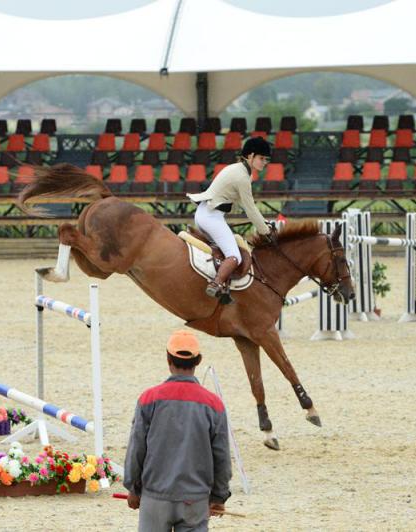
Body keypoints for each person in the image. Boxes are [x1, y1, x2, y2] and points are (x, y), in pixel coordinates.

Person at [124, 330, 232, 532]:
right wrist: (219, 496)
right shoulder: (213, 404)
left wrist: (133, 487)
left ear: (168, 359)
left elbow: (137, 447)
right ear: (198, 360)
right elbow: (222, 455)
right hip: (194, 500)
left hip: (155, 496)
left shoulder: (149, 399)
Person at [187, 136, 276, 302]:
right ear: (250, 156)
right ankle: (216, 284)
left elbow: (247, 205)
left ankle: (224, 288)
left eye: (266, 159)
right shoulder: (242, 177)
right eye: (262, 158)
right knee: (235, 256)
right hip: (211, 217)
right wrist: (265, 231)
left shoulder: (237, 169)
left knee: (222, 250)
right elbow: (250, 208)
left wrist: (264, 222)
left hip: (205, 214)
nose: (265, 162)